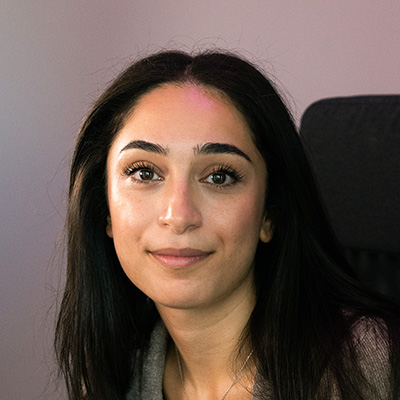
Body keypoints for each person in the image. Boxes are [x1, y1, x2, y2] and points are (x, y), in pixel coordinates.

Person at [55, 50, 400, 400]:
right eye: (144, 173)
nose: (179, 215)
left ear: (270, 213)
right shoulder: (115, 374)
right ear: (104, 209)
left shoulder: (368, 365)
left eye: (219, 177)